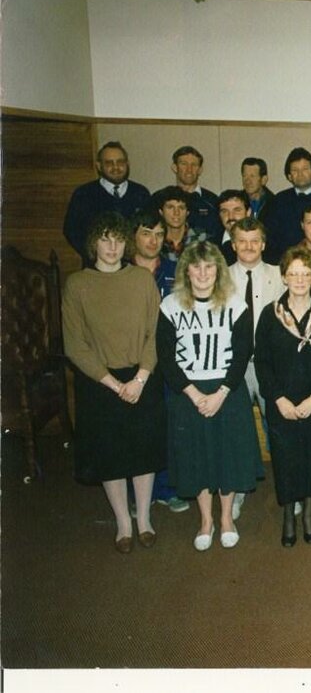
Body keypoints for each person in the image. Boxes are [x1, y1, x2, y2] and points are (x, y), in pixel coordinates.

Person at [63, 212, 165, 553]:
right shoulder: (77, 284)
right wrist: (111, 383)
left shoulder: (141, 279)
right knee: (111, 454)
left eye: (118, 240)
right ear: (94, 243)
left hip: (141, 376)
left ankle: (145, 519)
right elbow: (74, 344)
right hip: (100, 382)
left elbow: (155, 334)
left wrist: (139, 378)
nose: (112, 247)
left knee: (142, 451)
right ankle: (123, 522)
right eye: (105, 240)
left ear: (127, 242)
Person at [157, 241, 261, 551]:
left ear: (218, 270)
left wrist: (220, 394)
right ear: (186, 270)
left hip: (227, 390)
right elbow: (165, 356)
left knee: (227, 456)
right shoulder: (171, 305)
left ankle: (227, 517)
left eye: (210, 266)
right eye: (196, 267)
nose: (203, 273)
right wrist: (193, 394)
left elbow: (243, 351)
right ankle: (206, 520)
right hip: (188, 392)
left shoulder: (234, 303)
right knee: (195, 458)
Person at [254, 247, 311, 547]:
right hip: (282, 403)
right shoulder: (270, 315)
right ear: (283, 277)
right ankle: (289, 515)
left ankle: (308, 513)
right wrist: (278, 399)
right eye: (294, 273)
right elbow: (262, 362)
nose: (300, 279)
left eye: (306, 273)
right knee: (285, 459)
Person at [130, 210, 188, 514]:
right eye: (145, 233)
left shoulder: (177, 270)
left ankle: (166, 488)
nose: (152, 240)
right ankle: (137, 493)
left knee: (168, 424)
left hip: (168, 361)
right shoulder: (121, 272)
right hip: (131, 361)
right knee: (135, 427)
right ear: (133, 236)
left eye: (158, 234)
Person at [228, 216, 283, 519]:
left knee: (278, 430)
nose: (248, 247)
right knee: (237, 432)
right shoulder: (220, 277)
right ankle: (236, 494)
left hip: (270, 367)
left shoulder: (279, 275)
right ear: (233, 244)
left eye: (254, 241)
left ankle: (288, 491)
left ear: (263, 243)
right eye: (242, 241)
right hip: (235, 368)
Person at [64, 141, 150, 264]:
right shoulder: (84, 194)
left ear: (127, 164)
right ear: (99, 166)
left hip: (134, 267)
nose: (116, 167)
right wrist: (95, 256)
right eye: (109, 163)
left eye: (120, 162)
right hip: (97, 268)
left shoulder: (141, 193)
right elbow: (71, 230)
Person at [264, 147, 311, 264]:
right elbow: (271, 239)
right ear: (289, 176)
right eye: (295, 170)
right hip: (286, 263)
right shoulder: (278, 200)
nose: (300, 174)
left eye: (305, 169)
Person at [159, 146, 221, 243]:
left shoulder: (213, 201)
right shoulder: (159, 198)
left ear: (200, 170)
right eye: (184, 164)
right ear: (174, 167)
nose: (189, 169)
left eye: (194, 165)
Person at [156, 186, 206, 263]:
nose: (176, 213)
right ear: (161, 212)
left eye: (181, 208)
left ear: (187, 212)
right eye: (170, 207)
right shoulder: (155, 240)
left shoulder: (201, 238)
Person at [216, 189, 251, 265]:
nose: (230, 216)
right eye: (225, 211)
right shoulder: (212, 245)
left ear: (248, 212)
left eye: (237, 210)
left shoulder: (261, 245)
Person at [241, 157, 274, 221]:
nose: (247, 181)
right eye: (244, 176)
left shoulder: (274, 204)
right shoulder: (237, 202)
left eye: (252, 176)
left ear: (264, 180)